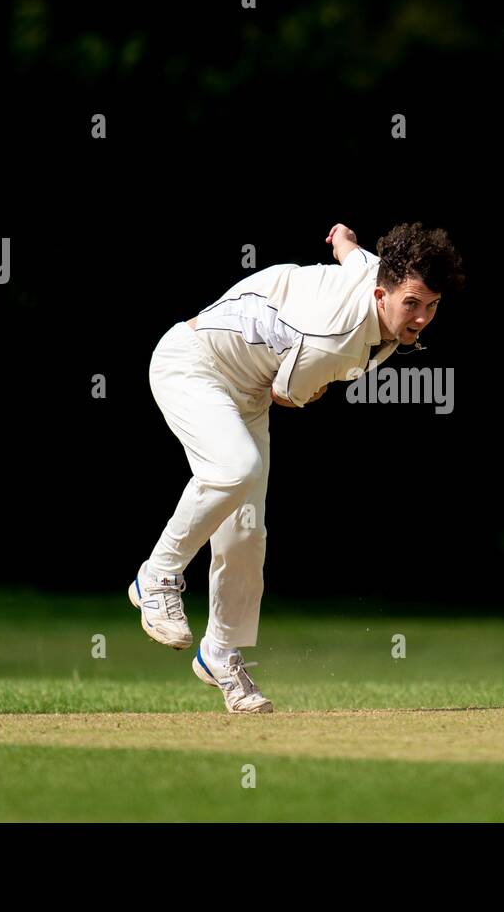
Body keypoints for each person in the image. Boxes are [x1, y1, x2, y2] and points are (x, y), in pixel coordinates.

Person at [129, 221, 465, 712]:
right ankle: (156, 576)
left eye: (431, 306)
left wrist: (343, 240)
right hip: (192, 364)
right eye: (411, 304)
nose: (419, 318)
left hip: (244, 392)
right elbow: (286, 394)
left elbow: (354, 255)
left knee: (246, 526)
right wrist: (316, 387)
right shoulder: (334, 337)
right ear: (381, 294)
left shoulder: (380, 272)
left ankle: (220, 652)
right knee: (235, 468)